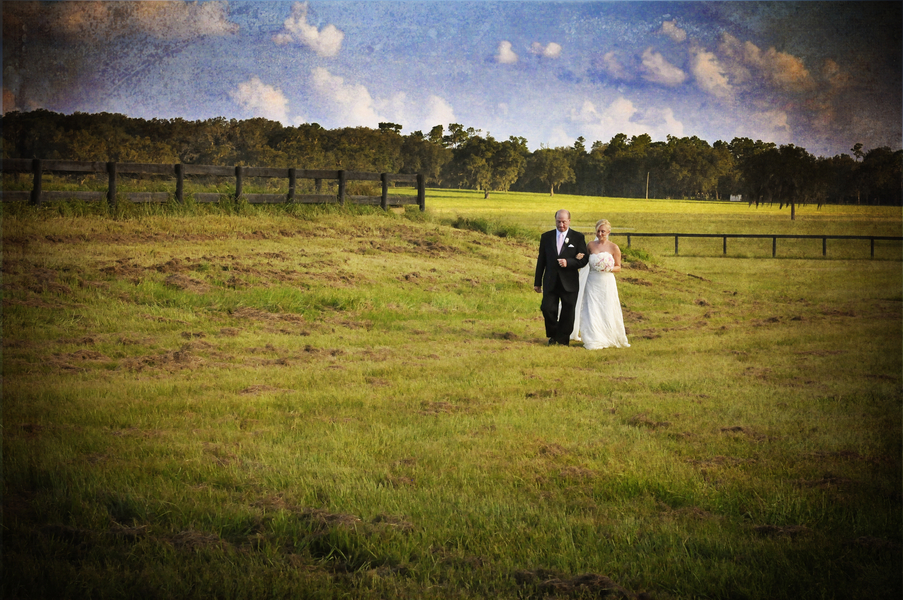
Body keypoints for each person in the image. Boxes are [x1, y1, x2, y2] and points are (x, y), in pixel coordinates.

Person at [534, 210, 589, 345]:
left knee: (568, 312)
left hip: (569, 282)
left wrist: (569, 262)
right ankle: (553, 334)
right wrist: (537, 282)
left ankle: (563, 339)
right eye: (558, 221)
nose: (561, 224)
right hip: (550, 281)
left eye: (564, 222)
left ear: (569, 221)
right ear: (555, 220)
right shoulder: (546, 237)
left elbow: (584, 259)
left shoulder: (577, 237)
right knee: (547, 308)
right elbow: (541, 260)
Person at [574, 219, 630, 350]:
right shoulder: (590, 245)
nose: (600, 234)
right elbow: (584, 261)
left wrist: (608, 267)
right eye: (598, 231)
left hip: (606, 282)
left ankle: (608, 334)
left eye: (603, 231)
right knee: (591, 308)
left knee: (606, 308)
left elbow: (618, 267)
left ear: (609, 232)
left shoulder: (614, 247)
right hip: (592, 281)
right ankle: (593, 337)